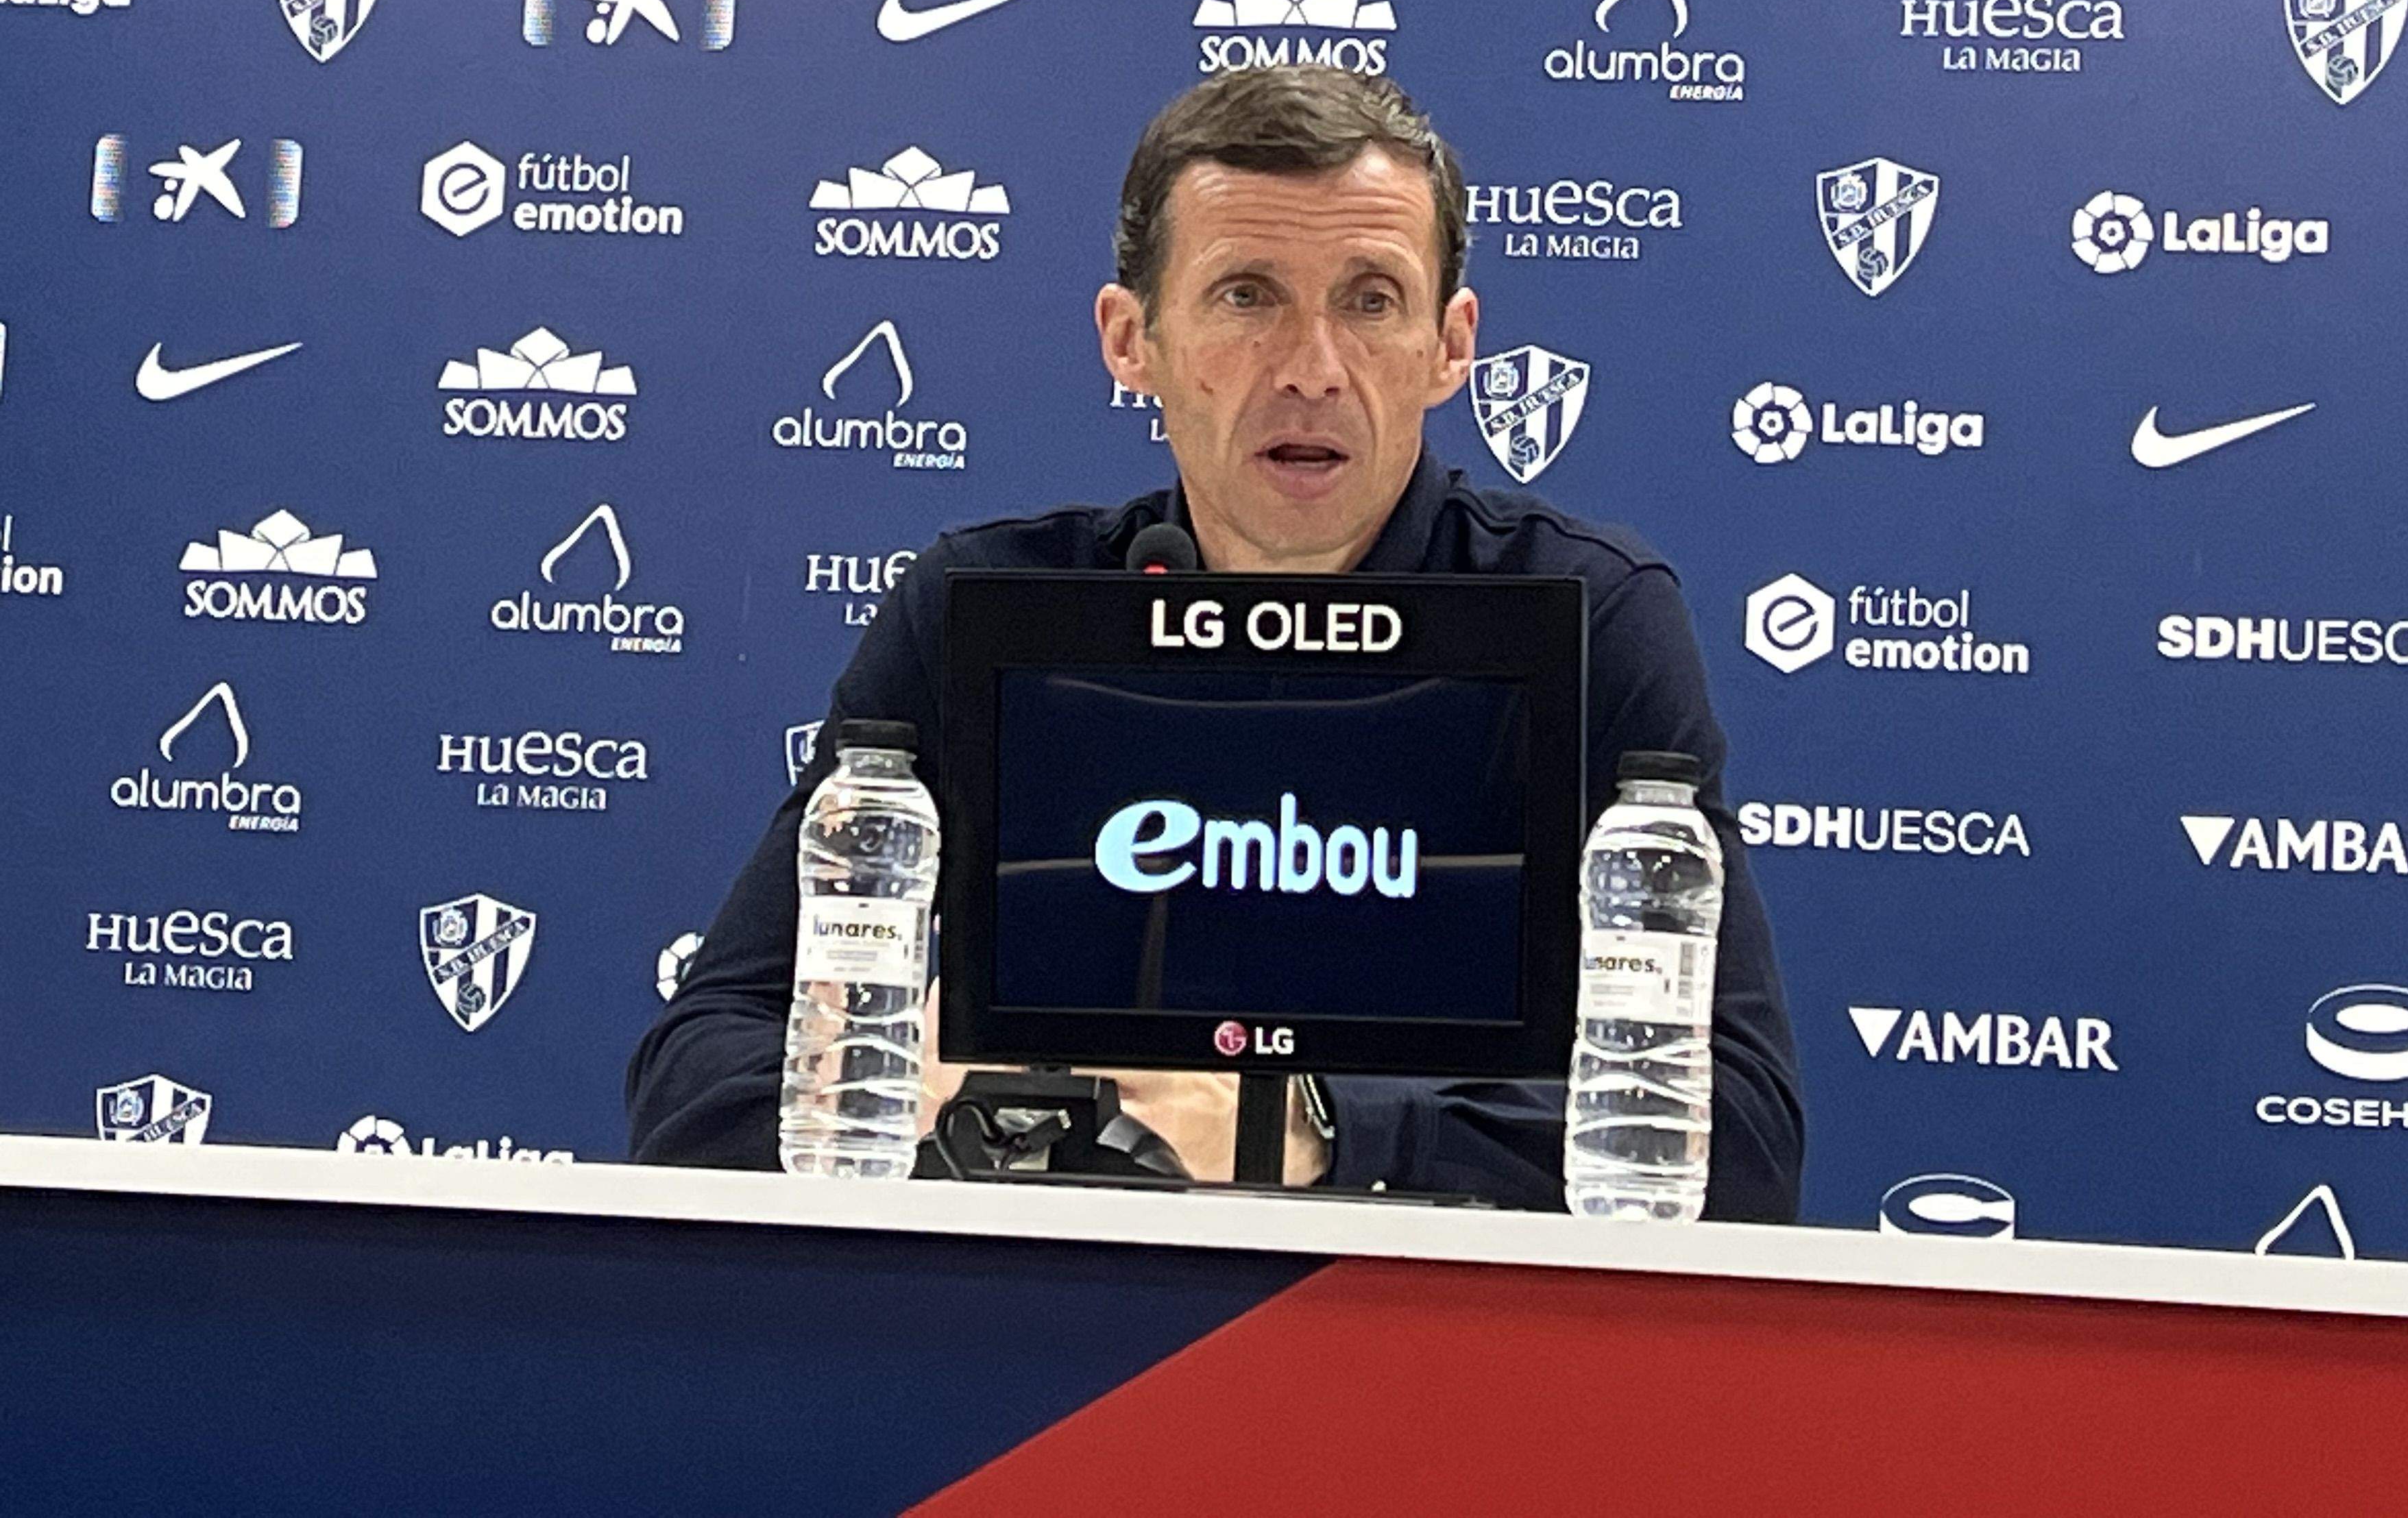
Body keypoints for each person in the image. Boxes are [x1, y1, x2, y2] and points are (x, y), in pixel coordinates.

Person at [627, 67, 1805, 1220]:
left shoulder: (1587, 616)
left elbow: (1735, 1144)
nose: (1312, 369)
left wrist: (1304, 1129)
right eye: (1247, 296)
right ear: (1130, 338)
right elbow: (698, 1082)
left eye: (1371, 299)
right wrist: (971, 1118)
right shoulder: (989, 610)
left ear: (1452, 348)